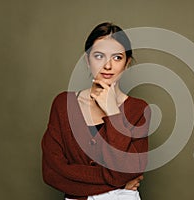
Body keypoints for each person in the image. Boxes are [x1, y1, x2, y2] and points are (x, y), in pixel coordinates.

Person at [41, 22, 151, 200]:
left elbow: (131, 170)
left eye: (117, 57)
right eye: (99, 56)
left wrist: (112, 112)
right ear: (87, 60)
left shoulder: (139, 110)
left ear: (127, 62)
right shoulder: (63, 105)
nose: (108, 66)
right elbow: (52, 173)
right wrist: (117, 180)